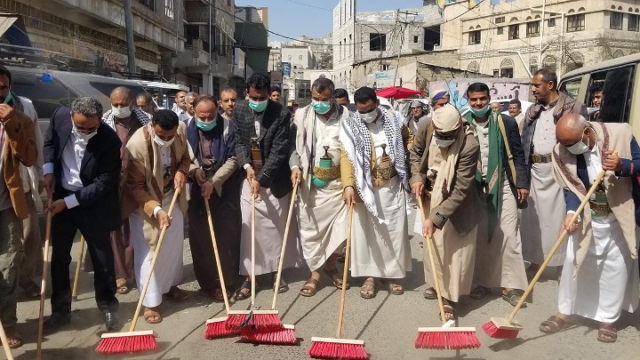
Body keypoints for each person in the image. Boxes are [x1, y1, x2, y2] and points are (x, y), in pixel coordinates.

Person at [540, 114, 640, 343]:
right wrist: (570, 213)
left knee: (614, 268)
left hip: (618, 213)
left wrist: (622, 165)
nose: (567, 149)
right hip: (587, 214)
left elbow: (639, 163)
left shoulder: (621, 133)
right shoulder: (562, 150)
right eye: (563, 144)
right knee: (574, 261)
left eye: (571, 143)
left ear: (586, 133)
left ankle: (608, 319)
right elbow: (572, 187)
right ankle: (566, 312)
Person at [43, 97, 120, 333]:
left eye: (91, 128)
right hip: (61, 195)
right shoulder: (59, 117)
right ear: (71, 118)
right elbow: (49, 144)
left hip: (93, 203)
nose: (86, 132)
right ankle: (60, 310)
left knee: (102, 259)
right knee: (59, 259)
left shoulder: (109, 140)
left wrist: (68, 203)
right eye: (81, 127)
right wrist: (48, 171)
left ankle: (108, 306)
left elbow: (104, 182)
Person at [409, 104, 483, 320]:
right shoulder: (426, 126)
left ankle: (451, 299)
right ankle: (436, 286)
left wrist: (436, 217)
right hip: (430, 194)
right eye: (442, 134)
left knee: (456, 254)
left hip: (456, 204)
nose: (445, 138)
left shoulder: (470, 144)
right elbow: (416, 154)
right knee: (435, 248)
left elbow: (461, 188)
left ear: (459, 127)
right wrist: (416, 177)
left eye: (450, 135)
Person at [122, 109, 196, 324]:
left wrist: (182, 171)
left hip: (172, 196)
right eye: (161, 136)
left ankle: (171, 286)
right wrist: (156, 210)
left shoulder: (180, 130)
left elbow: (185, 157)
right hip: (146, 203)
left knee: (173, 246)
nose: (166, 140)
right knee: (149, 252)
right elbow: (135, 187)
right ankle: (150, 302)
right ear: (152, 125)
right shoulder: (136, 145)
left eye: (169, 136)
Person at [233, 74, 301, 299]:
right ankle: (250, 275)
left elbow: (279, 151)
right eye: (253, 96)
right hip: (249, 178)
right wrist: (246, 166)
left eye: (262, 97)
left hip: (274, 181)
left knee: (276, 229)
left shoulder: (281, 113)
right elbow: (240, 141)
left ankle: (275, 272)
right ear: (247, 93)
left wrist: (261, 178)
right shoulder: (241, 109)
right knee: (248, 228)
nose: (257, 100)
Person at [462, 83, 529, 307]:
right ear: (468, 101)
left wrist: (521, 182)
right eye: (474, 100)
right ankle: (480, 282)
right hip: (474, 189)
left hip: (503, 185)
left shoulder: (505, 121)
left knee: (509, 233)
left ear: (489, 98)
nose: (479, 104)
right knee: (480, 235)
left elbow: (518, 154)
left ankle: (510, 284)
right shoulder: (462, 123)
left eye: (482, 99)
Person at [340, 86, 411, 299]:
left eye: (369, 109)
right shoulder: (350, 124)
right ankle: (369, 276)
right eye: (361, 111)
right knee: (366, 234)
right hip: (365, 188)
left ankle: (390, 275)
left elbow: (409, 139)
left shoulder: (395, 119)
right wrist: (348, 185)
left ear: (376, 104)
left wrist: (408, 159)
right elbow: (346, 156)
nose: (365, 114)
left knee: (393, 232)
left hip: (391, 185)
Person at [520, 68, 588, 281]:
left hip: (561, 170)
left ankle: (562, 264)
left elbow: (583, 140)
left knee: (561, 218)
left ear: (550, 85)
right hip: (536, 171)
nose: (533, 89)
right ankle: (536, 260)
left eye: (536, 85)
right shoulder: (533, 110)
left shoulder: (574, 108)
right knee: (534, 220)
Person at [290, 78, 349, 297]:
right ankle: (314, 274)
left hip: (337, 185)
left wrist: (350, 184)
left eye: (324, 99)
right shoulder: (301, 115)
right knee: (311, 232)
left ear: (333, 97)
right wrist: (294, 166)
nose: (319, 103)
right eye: (315, 98)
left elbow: (350, 151)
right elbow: (293, 146)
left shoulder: (347, 116)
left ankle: (331, 266)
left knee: (339, 231)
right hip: (309, 183)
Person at [186, 95, 241, 301]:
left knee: (226, 236)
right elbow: (183, 156)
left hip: (224, 189)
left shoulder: (229, 127)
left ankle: (226, 282)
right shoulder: (184, 128)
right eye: (202, 117)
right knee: (201, 239)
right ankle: (208, 283)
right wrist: (194, 171)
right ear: (194, 112)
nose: (207, 121)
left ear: (217, 111)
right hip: (196, 190)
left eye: (211, 117)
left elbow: (234, 158)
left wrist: (214, 182)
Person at [0, 65, 38, 348]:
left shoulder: (21, 118)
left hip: (6, 206)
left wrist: (12, 126)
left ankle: (8, 324)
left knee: (8, 266)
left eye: (2, 87)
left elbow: (29, 157)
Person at [102, 86, 150, 295]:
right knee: (114, 227)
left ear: (131, 103)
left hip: (139, 178)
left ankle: (135, 271)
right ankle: (120, 274)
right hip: (112, 180)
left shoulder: (146, 121)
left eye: (123, 104)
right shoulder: (103, 122)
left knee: (135, 227)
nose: (119, 108)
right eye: (115, 105)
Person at [13, 81, 45, 299]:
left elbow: (37, 142)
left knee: (30, 231)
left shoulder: (25, 106)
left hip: (22, 179)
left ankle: (24, 277)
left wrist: (41, 173)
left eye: (3, 87)